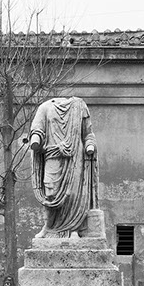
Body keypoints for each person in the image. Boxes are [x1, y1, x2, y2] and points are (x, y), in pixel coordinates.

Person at [29, 97, 98, 238]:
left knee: (73, 195)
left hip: (75, 157)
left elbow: (88, 133)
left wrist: (89, 145)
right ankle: (48, 227)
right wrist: (36, 139)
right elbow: (37, 129)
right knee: (50, 192)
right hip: (52, 155)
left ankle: (74, 229)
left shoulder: (79, 106)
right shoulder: (45, 107)